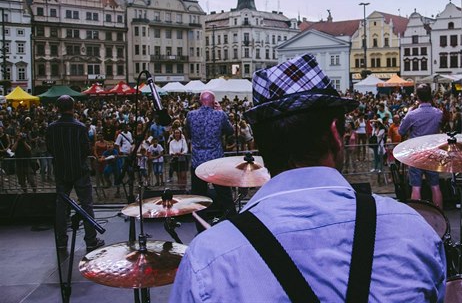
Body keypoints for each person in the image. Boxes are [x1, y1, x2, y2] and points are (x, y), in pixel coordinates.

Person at [170, 54, 446, 302]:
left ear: (261, 144)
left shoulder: (208, 259)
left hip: (200, 163)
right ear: (336, 135)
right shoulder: (413, 231)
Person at [46, 95, 104, 254]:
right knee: (86, 204)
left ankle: (61, 242)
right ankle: (91, 241)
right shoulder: (79, 127)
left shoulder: (51, 128)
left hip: (61, 171)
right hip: (79, 171)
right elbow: (86, 150)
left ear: (58, 109)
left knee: (61, 207)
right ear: (73, 107)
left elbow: (50, 148)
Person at [185, 90, 235, 228]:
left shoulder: (191, 115)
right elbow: (230, 131)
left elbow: (188, 133)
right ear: (213, 102)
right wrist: (220, 111)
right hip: (215, 161)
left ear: (200, 101)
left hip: (197, 161)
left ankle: (201, 228)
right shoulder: (220, 115)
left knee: (199, 197)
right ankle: (233, 224)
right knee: (225, 196)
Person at [399, 84, 444, 208]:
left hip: (416, 154)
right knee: (435, 186)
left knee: (416, 187)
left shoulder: (412, 114)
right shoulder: (438, 113)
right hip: (433, 153)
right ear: (430, 96)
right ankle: (440, 217)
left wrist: (408, 113)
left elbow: (401, 131)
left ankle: (418, 217)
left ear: (417, 97)